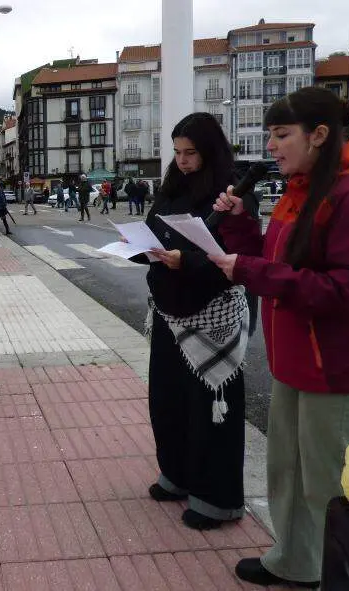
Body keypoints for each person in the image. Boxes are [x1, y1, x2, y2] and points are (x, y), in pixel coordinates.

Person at [209, 87, 349, 589]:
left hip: (337, 366)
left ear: (318, 135)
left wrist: (249, 269)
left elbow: (346, 289)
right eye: (270, 134)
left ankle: (340, 576)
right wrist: (241, 227)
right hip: (295, 360)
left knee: (331, 484)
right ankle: (295, 561)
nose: (270, 145)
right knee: (288, 470)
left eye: (280, 134)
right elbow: (278, 266)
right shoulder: (304, 186)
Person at [129, 113, 256, 534]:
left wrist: (189, 261)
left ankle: (216, 498)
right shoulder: (172, 186)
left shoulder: (231, 191)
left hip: (211, 314)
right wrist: (139, 250)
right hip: (169, 307)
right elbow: (152, 230)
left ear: (210, 150)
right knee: (168, 399)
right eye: (178, 153)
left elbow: (237, 255)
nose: (183, 162)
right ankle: (177, 474)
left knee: (211, 409)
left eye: (191, 153)